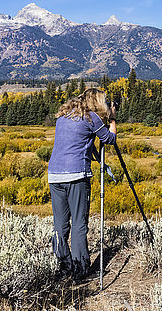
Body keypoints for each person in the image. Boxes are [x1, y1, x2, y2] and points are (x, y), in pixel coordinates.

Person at [47, 88, 117, 281]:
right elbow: (109, 139)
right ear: (96, 102)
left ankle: (63, 266)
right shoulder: (91, 117)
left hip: (54, 175)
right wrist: (112, 119)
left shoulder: (63, 116)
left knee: (60, 225)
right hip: (76, 175)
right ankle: (80, 270)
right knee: (79, 224)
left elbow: (76, 141)